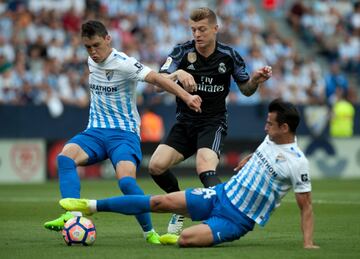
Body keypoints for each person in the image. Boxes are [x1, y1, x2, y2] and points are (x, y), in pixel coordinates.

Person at [59, 99, 319, 249]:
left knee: (185, 240)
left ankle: (199, 225)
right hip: (220, 193)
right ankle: (90, 206)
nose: (265, 127)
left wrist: (308, 243)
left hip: (237, 219)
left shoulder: (297, 163)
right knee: (159, 202)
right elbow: (265, 152)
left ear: (284, 127)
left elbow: (306, 207)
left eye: (270, 124)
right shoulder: (271, 140)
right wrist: (249, 158)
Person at [43, 20, 202, 245]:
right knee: (65, 158)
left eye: (96, 45)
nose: (93, 52)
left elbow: (156, 78)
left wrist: (186, 96)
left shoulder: (125, 63)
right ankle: (73, 216)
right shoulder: (91, 60)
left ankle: (150, 233)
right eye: (88, 47)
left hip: (124, 135)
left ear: (108, 39)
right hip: (96, 131)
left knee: (126, 183)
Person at [148, 7, 272, 235]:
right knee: (155, 166)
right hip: (185, 122)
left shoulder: (229, 55)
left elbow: (246, 90)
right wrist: (177, 75)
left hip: (213, 122)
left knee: (204, 167)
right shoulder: (181, 52)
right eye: (193, 29)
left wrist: (255, 80)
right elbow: (157, 85)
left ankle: (226, 217)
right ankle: (180, 206)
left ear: (215, 29)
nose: (197, 34)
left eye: (202, 29)